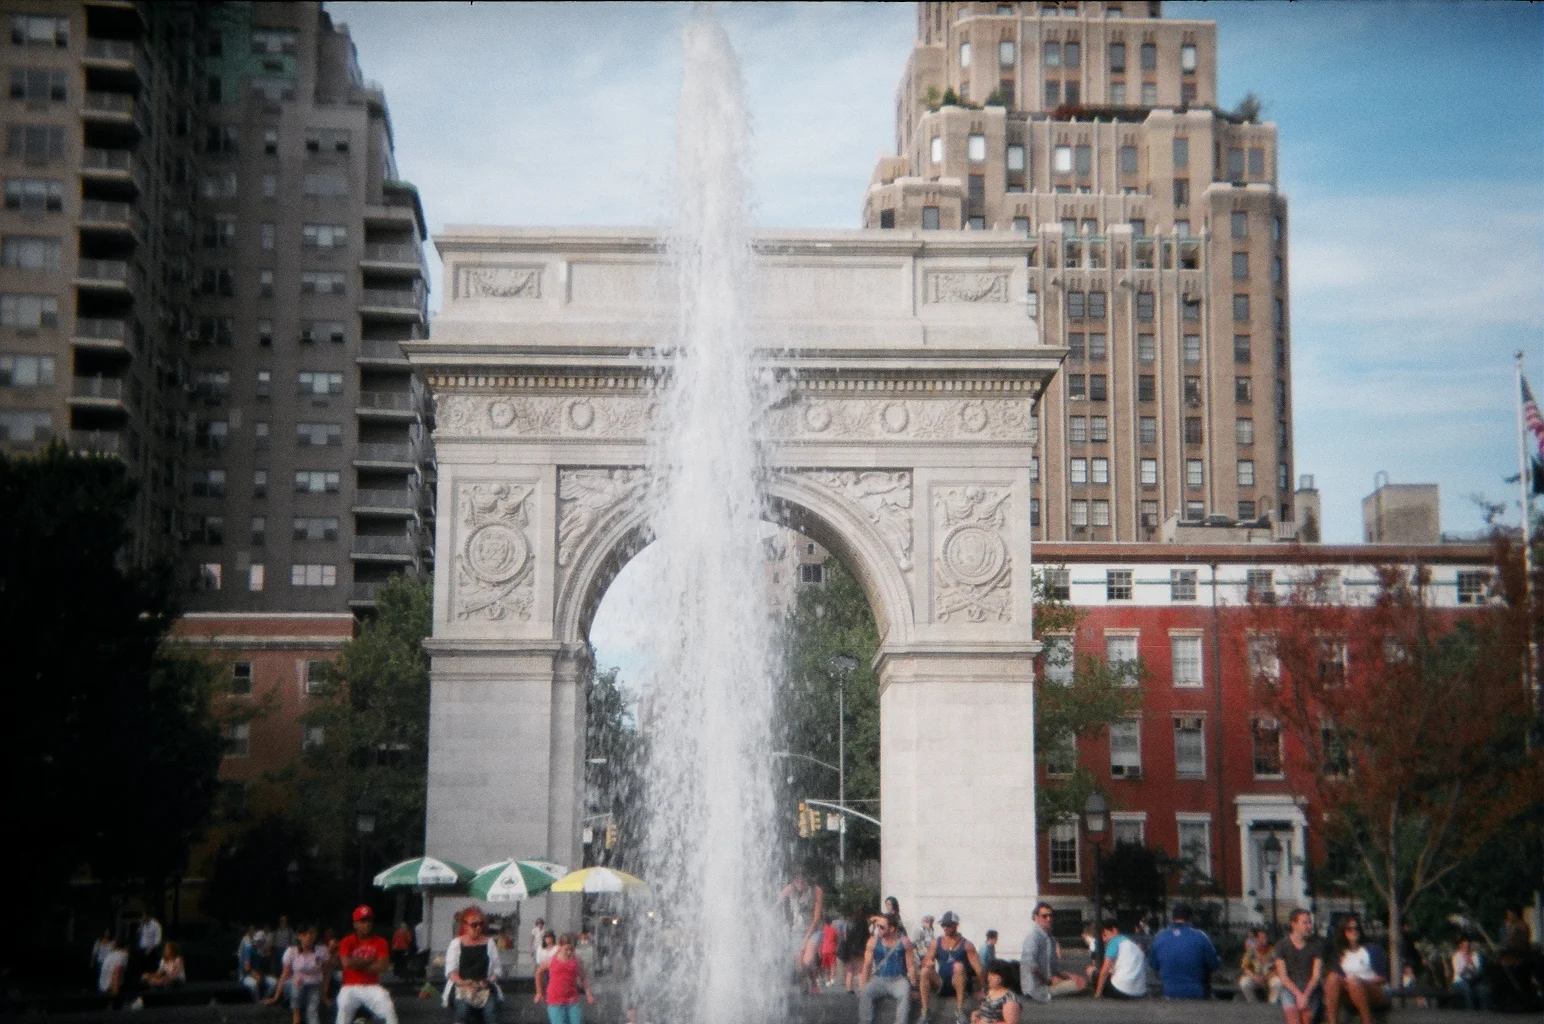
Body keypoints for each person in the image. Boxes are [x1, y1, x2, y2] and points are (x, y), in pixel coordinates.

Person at [336, 904, 397, 1024]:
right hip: (350, 986)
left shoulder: (380, 942)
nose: (367, 924)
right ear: (355, 924)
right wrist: (370, 960)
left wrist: (356, 965)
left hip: (372, 985)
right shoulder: (347, 941)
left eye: (369, 920)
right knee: (343, 1007)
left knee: (388, 1008)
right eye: (363, 921)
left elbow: (383, 966)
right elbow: (346, 963)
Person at [1322, 914, 1388, 1024]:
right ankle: (1332, 1021)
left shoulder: (1372, 949)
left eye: (1356, 928)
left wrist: (1361, 982)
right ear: (1343, 932)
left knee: (1354, 982)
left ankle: (1367, 1020)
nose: (1354, 931)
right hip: (1349, 992)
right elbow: (1339, 979)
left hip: (1374, 990)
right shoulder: (1340, 954)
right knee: (1332, 978)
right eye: (1349, 929)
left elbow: (1383, 978)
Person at [919, 911, 983, 1024]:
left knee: (958, 966)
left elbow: (978, 969)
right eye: (943, 925)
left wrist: (981, 989)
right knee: (924, 971)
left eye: (948, 925)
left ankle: (960, 1010)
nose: (945, 928)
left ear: (955, 925)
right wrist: (928, 962)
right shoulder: (937, 942)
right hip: (942, 982)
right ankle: (925, 1012)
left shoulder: (967, 945)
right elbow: (926, 960)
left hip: (959, 981)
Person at [1148, 901, 1219, 999]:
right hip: (1197, 992)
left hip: (1168, 992)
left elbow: (1153, 965)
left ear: (1172, 918)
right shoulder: (1201, 937)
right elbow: (1214, 964)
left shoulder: (1160, 936)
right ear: (1190, 919)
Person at [446, 906, 502, 1024]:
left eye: (481, 924)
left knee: (490, 1012)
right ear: (465, 926)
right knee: (463, 1010)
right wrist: (464, 984)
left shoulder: (489, 943)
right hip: (461, 986)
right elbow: (451, 971)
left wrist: (488, 981)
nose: (478, 928)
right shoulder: (456, 944)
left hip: (484, 987)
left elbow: (497, 969)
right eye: (474, 925)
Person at [858, 912, 916, 1024]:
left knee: (905, 994)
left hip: (898, 979)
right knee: (866, 993)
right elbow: (867, 965)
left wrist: (913, 987)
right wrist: (862, 986)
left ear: (892, 928)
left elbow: (911, 966)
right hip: (879, 979)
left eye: (882, 927)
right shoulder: (873, 942)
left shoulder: (904, 942)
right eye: (877, 926)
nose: (878, 929)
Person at [1019, 902, 1085, 1003]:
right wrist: (1048, 981)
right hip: (1036, 989)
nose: (1049, 919)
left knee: (1080, 980)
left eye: (1051, 915)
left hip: (1047, 983)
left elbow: (1055, 969)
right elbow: (1031, 966)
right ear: (1036, 917)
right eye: (1044, 916)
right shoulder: (1033, 938)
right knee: (1080, 985)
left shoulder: (1050, 939)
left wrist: (1071, 976)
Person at [776, 865, 824, 995]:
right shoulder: (789, 889)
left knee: (808, 961)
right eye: (796, 879)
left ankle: (813, 981)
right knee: (799, 964)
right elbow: (777, 904)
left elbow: (816, 918)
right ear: (793, 879)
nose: (799, 882)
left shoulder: (816, 891)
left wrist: (806, 937)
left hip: (813, 930)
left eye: (802, 879)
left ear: (806, 878)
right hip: (797, 930)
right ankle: (803, 983)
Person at [267, 926, 326, 1024]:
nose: (308, 937)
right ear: (299, 936)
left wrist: (324, 995)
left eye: (311, 933)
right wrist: (276, 997)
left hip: (313, 984)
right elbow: (285, 974)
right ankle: (296, 1014)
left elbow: (325, 973)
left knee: (312, 1011)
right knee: (297, 982)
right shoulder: (292, 951)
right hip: (295, 985)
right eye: (305, 934)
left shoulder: (321, 951)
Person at [1273, 909, 1323, 1024]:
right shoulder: (1282, 946)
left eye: (1310, 922)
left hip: (1310, 988)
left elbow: (1316, 976)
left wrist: (1305, 995)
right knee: (1293, 1017)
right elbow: (1283, 977)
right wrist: (1299, 995)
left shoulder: (1315, 945)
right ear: (1293, 924)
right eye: (1305, 923)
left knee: (1307, 1017)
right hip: (1290, 988)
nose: (1309, 926)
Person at [534, 932, 595, 1024]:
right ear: (559, 946)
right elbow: (538, 973)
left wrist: (589, 994)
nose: (569, 952)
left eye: (572, 949)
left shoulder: (576, 960)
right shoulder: (551, 960)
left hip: (572, 999)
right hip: (555, 1000)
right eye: (566, 949)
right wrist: (539, 992)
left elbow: (583, 978)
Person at [1093, 919, 1147, 1000]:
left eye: (1105, 935)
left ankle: (1099, 993)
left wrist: (1098, 993)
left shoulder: (1114, 942)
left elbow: (1105, 970)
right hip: (1139, 992)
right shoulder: (1133, 944)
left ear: (1114, 930)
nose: (1104, 939)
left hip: (1120, 991)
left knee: (1092, 971)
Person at [1238, 927, 1278, 1003]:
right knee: (1244, 983)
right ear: (1256, 939)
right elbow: (1245, 967)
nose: (1263, 940)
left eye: (1264, 938)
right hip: (1255, 978)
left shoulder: (1273, 951)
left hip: (1269, 977)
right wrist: (1254, 977)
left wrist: (1269, 976)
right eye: (1260, 938)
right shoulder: (1251, 951)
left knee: (1277, 982)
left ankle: (1272, 1003)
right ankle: (1253, 1003)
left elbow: (1278, 967)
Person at [842, 905, 872, 993]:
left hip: (849, 948)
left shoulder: (849, 921)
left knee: (850, 970)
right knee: (860, 970)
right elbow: (866, 935)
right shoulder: (863, 922)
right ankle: (861, 988)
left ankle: (849, 988)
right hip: (860, 948)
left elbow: (845, 935)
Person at [1449, 936, 1483, 1010]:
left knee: (1484, 989)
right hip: (1460, 981)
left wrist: (1471, 969)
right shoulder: (1456, 956)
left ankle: (1485, 1011)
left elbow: (1479, 969)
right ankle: (1471, 1010)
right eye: (1464, 945)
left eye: (1468, 945)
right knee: (1467, 988)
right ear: (1460, 946)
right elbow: (1459, 971)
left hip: (1474, 980)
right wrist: (1469, 966)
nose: (1466, 947)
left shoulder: (1475, 955)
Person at [98, 936, 129, 1006]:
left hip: (103, 987)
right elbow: (116, 973)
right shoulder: (122, 955)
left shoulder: (111, 955)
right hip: (110, 989)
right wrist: (115, 994)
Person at [820, 915, 839, 987]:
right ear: (831, 922)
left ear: (824, 922)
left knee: (826, 966)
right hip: (832, 949)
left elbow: (820, 940)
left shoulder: (822, 930)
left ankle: (827, 980)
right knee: (832, 965)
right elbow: (836, 939)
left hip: (824, 949)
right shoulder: (834, 929)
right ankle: (832, 979)